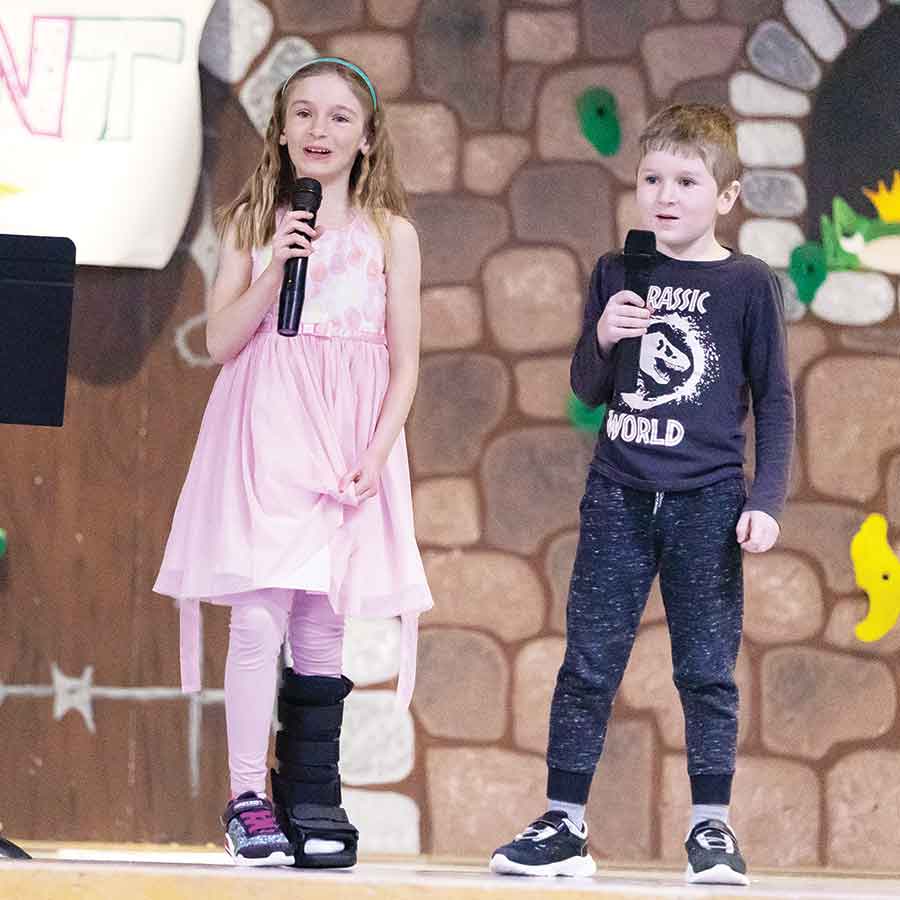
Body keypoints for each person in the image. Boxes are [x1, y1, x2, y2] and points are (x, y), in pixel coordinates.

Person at [490, 104, 794, 885]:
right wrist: (604, 337)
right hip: (619, 494)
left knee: (705, 670)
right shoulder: (617, 273)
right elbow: (588, 389)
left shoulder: (748, 284)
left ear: (725, 196)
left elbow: (776, 400)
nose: (666, 194)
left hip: (708, 504)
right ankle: (563, 823)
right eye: (652, 177)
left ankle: (711, 830)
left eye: (687, 180)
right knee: (588, 664)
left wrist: (765, 500)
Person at [154, 57, 432, 868]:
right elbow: (219, 340)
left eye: (340, 117)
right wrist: (279, 260)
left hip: (349, 440)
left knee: (322, 620)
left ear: (368, 137)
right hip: (268, 429)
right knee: (259, 612)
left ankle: (311, 795)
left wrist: (378, 451)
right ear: (280, 129)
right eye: (303, 114)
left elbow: (405, 359)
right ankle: (247, 799)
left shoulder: (393, 236)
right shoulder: (253, 221)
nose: (320, 130)